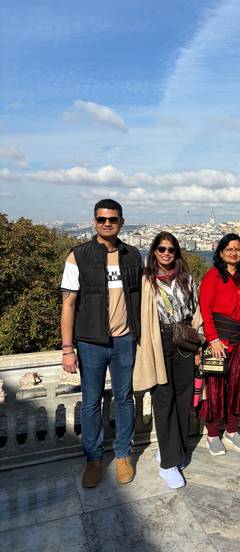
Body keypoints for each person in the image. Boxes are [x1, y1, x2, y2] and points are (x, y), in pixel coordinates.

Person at [60, 199, 142, 488]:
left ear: (121, 222)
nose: (107, 223)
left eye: (113, 219)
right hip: (90, 342)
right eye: (102, 219)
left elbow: (141, 298)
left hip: (125, 340)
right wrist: (67, 349)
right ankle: (93, 459)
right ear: (94, 221)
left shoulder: (133, 255)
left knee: (124, 399)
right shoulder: (78, 256)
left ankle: (122, 456)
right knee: (92, 402)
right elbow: (68, 304)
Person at [133, 232, 201, 489]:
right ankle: (168, 463)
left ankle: (175, 451)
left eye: (171, 249)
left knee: (183, 399)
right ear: (153, 252)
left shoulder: (187, 279)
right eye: (161, 249)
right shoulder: (146, 282)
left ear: (176, 253)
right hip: (157, 340)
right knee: (163, 399)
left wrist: (198, 343)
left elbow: (196, 312)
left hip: (183, 339)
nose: (166, 253)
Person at [199, 233, 240, 455]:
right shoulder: (212, 277)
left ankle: (232, 430)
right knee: (215, 390)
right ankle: (213, 434)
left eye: (237, 249)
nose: (234, 253)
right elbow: (206, 311)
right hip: (219, 343)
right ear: (221, 253)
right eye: (229, 249)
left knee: (237, 388)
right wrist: (213, 339)